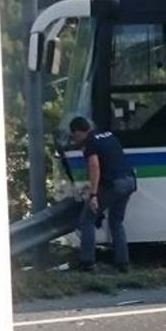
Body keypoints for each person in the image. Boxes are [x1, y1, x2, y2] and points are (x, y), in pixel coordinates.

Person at [69, 116, 136, 272]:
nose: (75, 140)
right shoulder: (106, 135)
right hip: (129, 181)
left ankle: (87, 262)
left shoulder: (90, 143)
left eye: (74, 136)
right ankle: (123, 263)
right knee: (116, 221)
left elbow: (95, 167)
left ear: (78, 132)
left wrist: (93, 195)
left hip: (114, 184)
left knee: (87, 219)